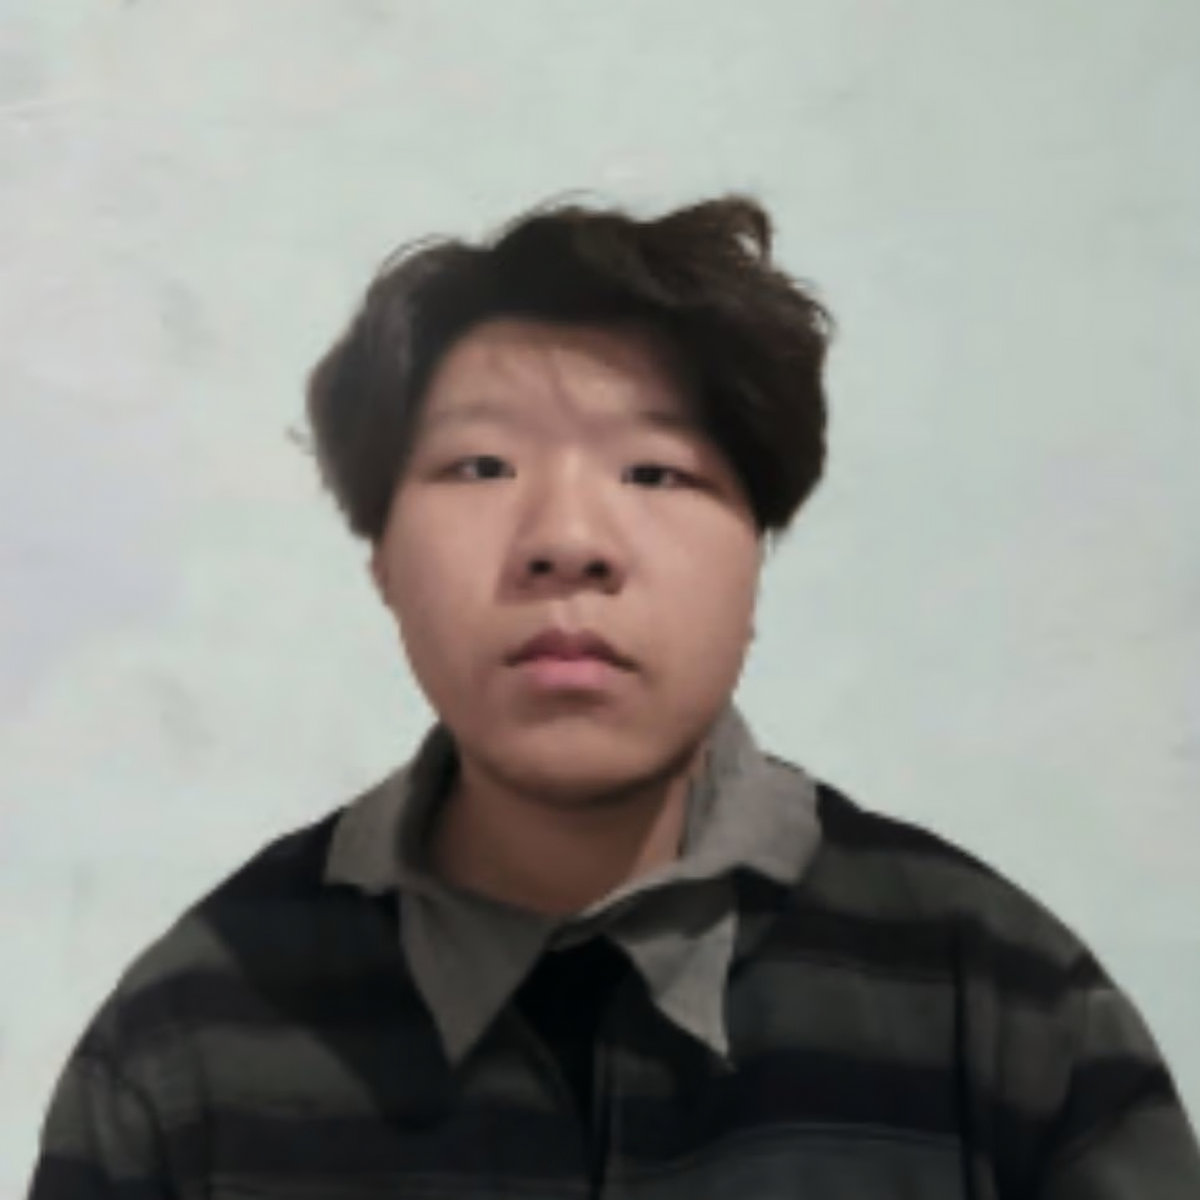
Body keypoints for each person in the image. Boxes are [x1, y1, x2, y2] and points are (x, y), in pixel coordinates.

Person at [28, 195, 1200, 1199]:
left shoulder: (1001, 1007)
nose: (569, 539)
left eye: (657, 471)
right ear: (381, 558)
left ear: (755, 556)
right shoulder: (190, 1037)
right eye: (481, 466)